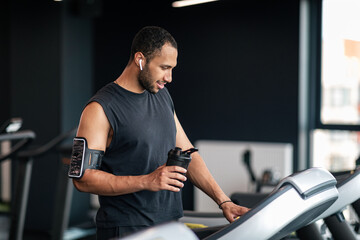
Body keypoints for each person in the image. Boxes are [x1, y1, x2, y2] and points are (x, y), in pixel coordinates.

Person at [72, 26, 249, 239]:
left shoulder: (162, 97)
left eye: (172, 68)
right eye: (164, 67)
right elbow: (82, 179)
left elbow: (188, 153)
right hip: (127, 229)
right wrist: (147, 180)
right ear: (140, 59)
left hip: (169, 226)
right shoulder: (100, 109)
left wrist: (224, 201)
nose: (170, 77)